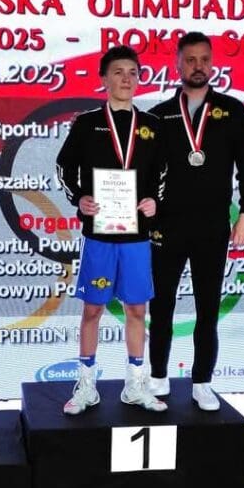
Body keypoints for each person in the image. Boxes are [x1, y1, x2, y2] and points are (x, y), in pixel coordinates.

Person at [147, 31, 244, 409]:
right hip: (167, 225)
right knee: (161, 305)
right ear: (177, 64)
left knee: (208, 307)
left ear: (213, 64)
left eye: (204, 60)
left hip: (213, 226)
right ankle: (158, 375)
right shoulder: (159, 114)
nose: (198, 67)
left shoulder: (233, 110)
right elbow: (146, 172)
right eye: (190, 60)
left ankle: (202, 381)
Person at [55, 45, 164, 414]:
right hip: (99, 236)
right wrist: (79, 198)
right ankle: (86, 385)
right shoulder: (87, 123)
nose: (126, 79)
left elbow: (163, 175)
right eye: (118, 72)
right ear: (103, 79)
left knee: (137, 311)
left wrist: (155, 201)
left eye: (133, 72)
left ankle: (135, 385)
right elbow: (64, 167)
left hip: (136, 238)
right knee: (92, 311)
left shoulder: (152, 126)